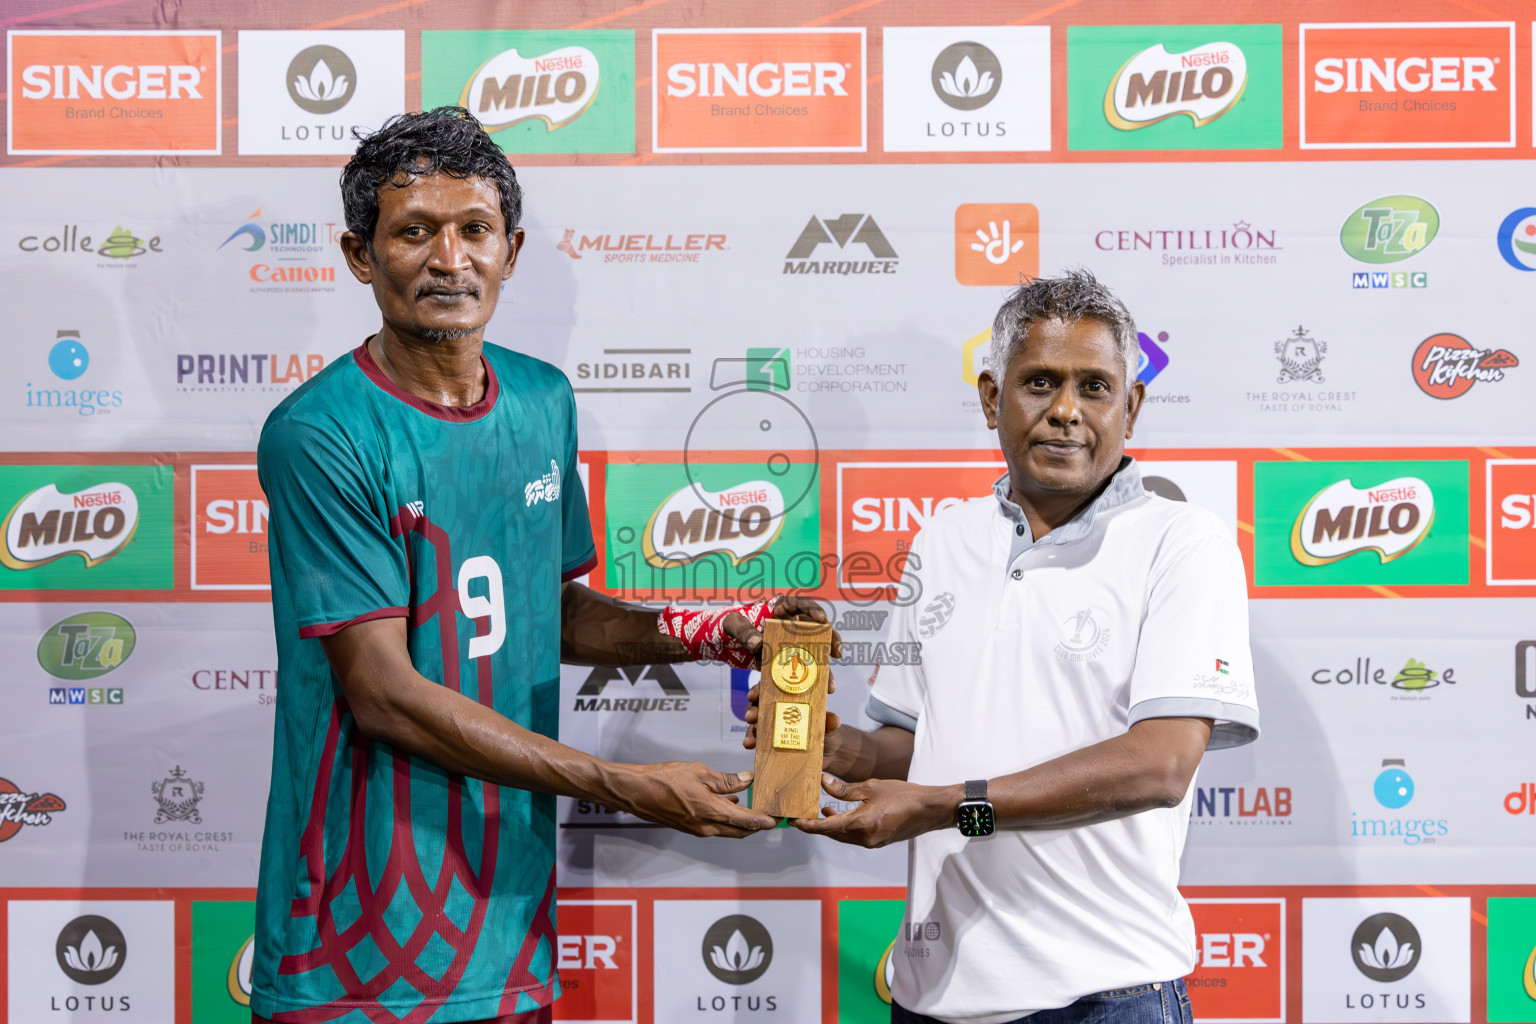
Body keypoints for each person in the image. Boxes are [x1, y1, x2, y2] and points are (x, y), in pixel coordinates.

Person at [251, 107, 830, 1024]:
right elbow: (383, 694)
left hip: (508, 915)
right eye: (414, 232)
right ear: (362, 256)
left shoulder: (542, 398)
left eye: (474, 229)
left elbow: (551, 613)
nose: (450, 259)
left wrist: (710, 631)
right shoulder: (319, 433)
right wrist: (634, 787)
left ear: (510, 250)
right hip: (356, 942)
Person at [746, 270, 1259, 1024]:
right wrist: (836, 748)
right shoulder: (944, 539)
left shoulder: (1183, 542)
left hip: (1106, 998)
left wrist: (947, 808)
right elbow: (915, 745)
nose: (1065, 412)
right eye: (1040, 382)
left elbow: (1162, 765)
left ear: (1133, 405)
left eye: (1094, 387)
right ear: (992, 397)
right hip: (932, 997)